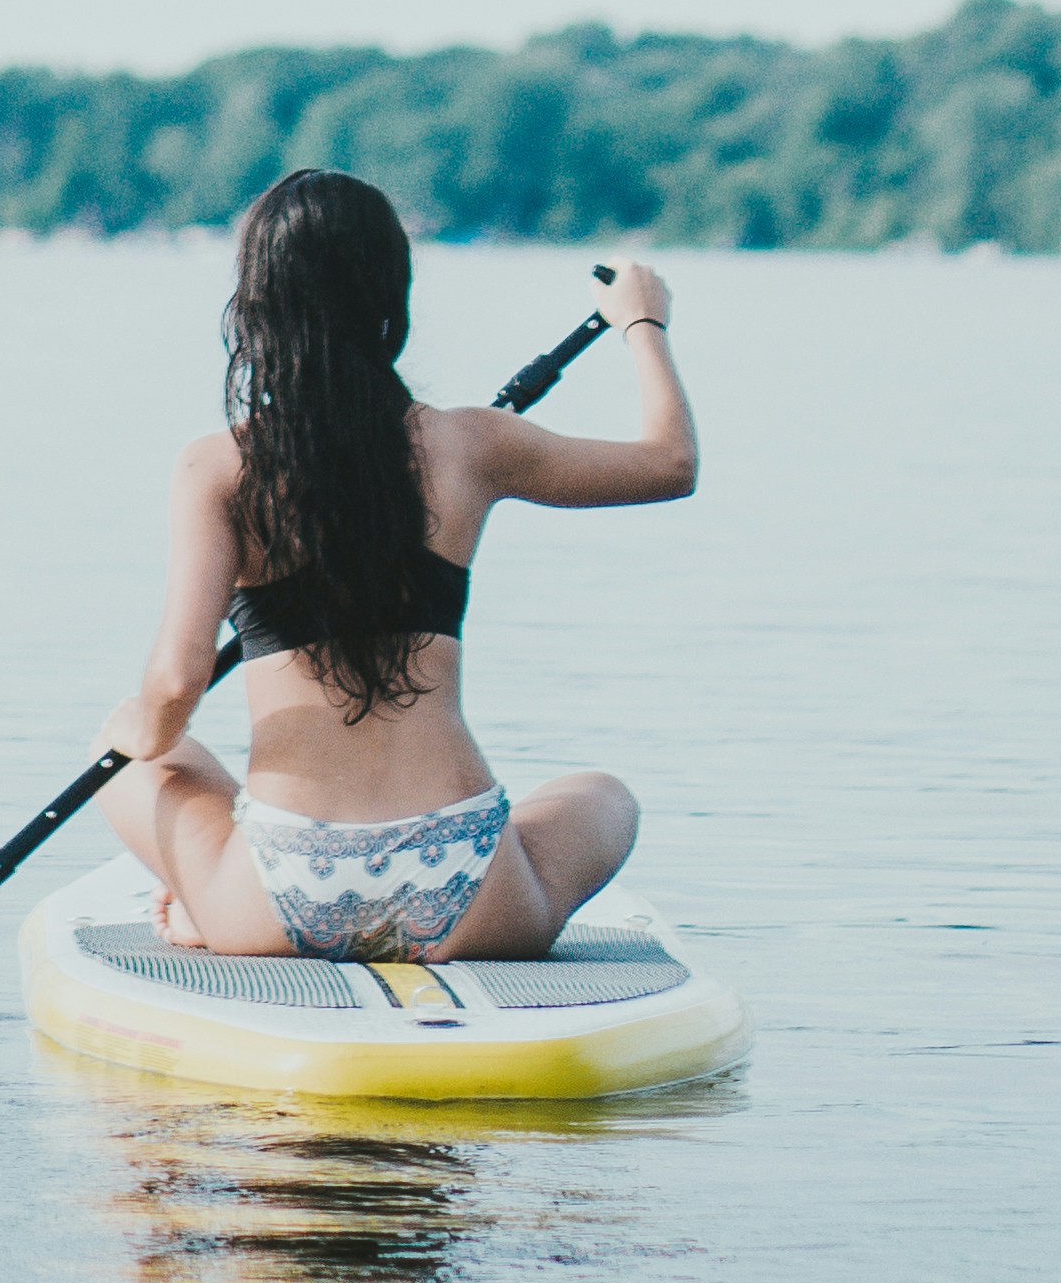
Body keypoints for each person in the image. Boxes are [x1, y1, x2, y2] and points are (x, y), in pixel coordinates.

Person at [95, 172, 695, 961]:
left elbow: (176, 686)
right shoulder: (474, 445)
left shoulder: (218, 467)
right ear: (391, 296)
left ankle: (214, 904)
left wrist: (144, 727)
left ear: (256, 305)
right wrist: (641, 322)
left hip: (281, 896)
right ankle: (467, 894)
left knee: (135, 752)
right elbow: (669, 465)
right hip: (468, 890)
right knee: (602, 798)